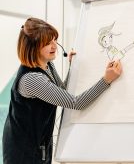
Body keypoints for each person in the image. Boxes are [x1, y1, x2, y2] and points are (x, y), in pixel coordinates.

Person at [2, 17, 122, 164]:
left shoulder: (47, 65)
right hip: (23, 152)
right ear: (33, 47)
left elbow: (62, 92)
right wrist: (106, 80)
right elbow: (75, 103)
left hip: (38, 143)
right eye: (47, 43)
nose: (54, 46)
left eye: (54, 40)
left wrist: (73, 68)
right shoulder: (31, 79)